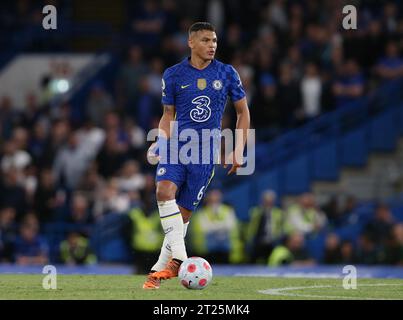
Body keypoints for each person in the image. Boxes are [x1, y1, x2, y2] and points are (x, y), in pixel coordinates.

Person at [142, 22, 250, 289]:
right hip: (178, 145)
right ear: (191, 43)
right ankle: (181, 257)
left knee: (182, 217)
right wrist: (161, 140)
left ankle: (157, 271)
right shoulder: (174, 74)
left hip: (205, 153)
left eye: (214, 40)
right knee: (163, 191)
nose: (212, 45)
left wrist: (238, 148)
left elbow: (242, 113)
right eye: (205, 40)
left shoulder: (226, 73)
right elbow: (168, 116)